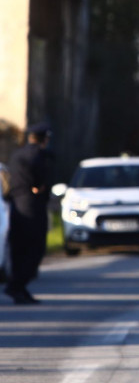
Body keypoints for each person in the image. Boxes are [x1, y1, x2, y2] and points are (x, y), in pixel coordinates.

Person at [5, 123, 54, 305]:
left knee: (19, 249)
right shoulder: (39, 155)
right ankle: (17, 286)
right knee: (35, 249)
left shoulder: (17, 154)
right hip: (32, 207)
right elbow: (40, 183)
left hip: (16, 206)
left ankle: (19, 288)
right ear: (44, 139)